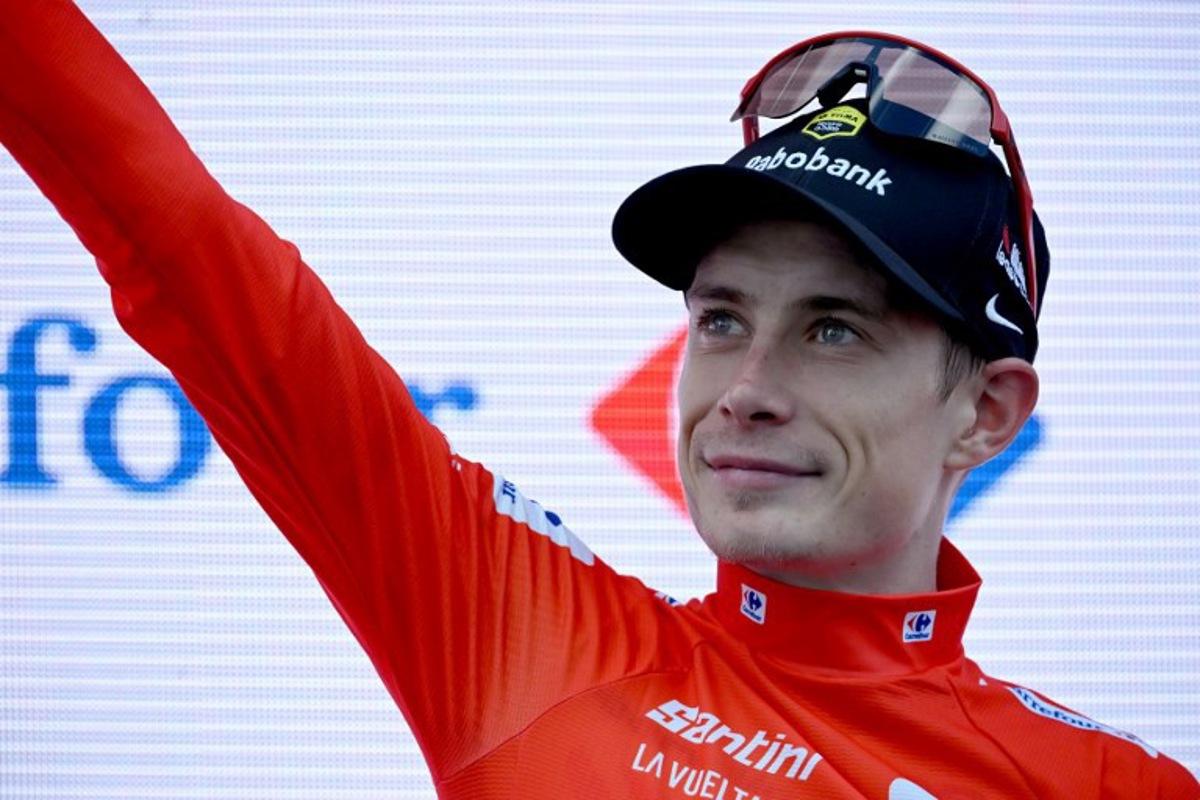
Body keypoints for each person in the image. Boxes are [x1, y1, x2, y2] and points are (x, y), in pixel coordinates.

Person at [1, 4, 1195, 798]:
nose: (747, 390)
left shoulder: (1107, 784)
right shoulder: (524, 631)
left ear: (988, 412)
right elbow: (184, 245)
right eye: (720, 318)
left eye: (834, 328)